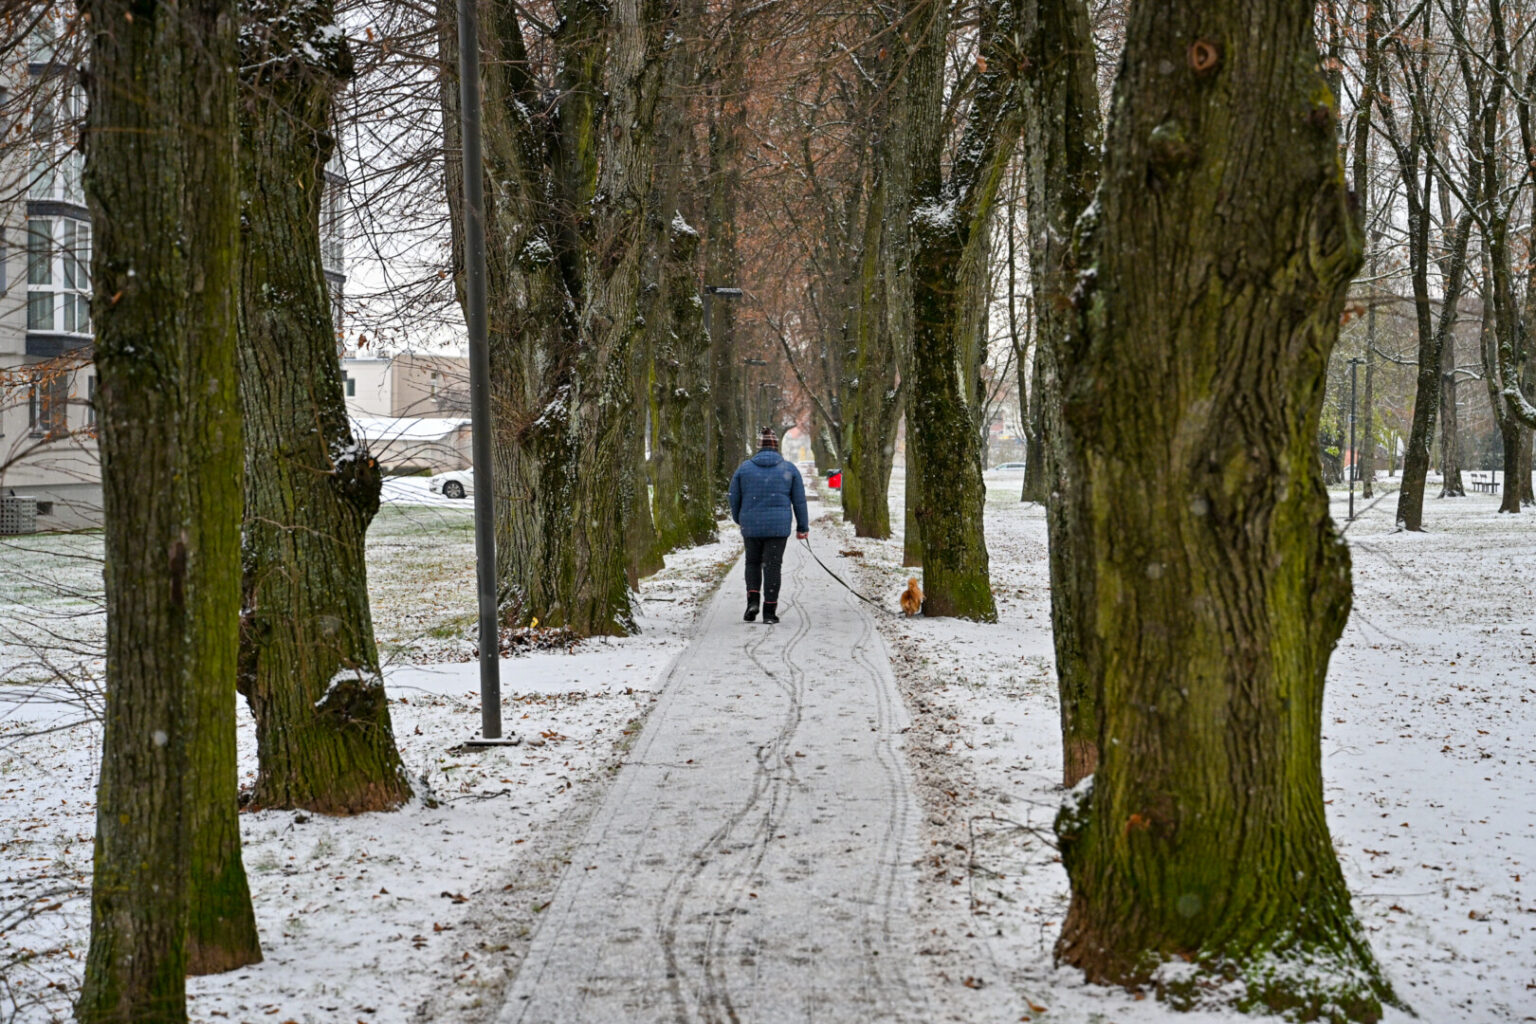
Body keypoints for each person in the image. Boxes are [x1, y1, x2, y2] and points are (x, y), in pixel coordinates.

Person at [728, 427, 809, 624]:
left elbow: (733, 496)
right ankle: (769, 612)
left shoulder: (744, 468)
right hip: (778, 528)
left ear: (758, 447)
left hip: (751, 525)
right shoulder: (789, 469)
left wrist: (739, 518)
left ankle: (752, 602)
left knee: (752, 563)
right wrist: (802, 527)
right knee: (773, 566)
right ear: (776, 447)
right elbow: (799, 501)